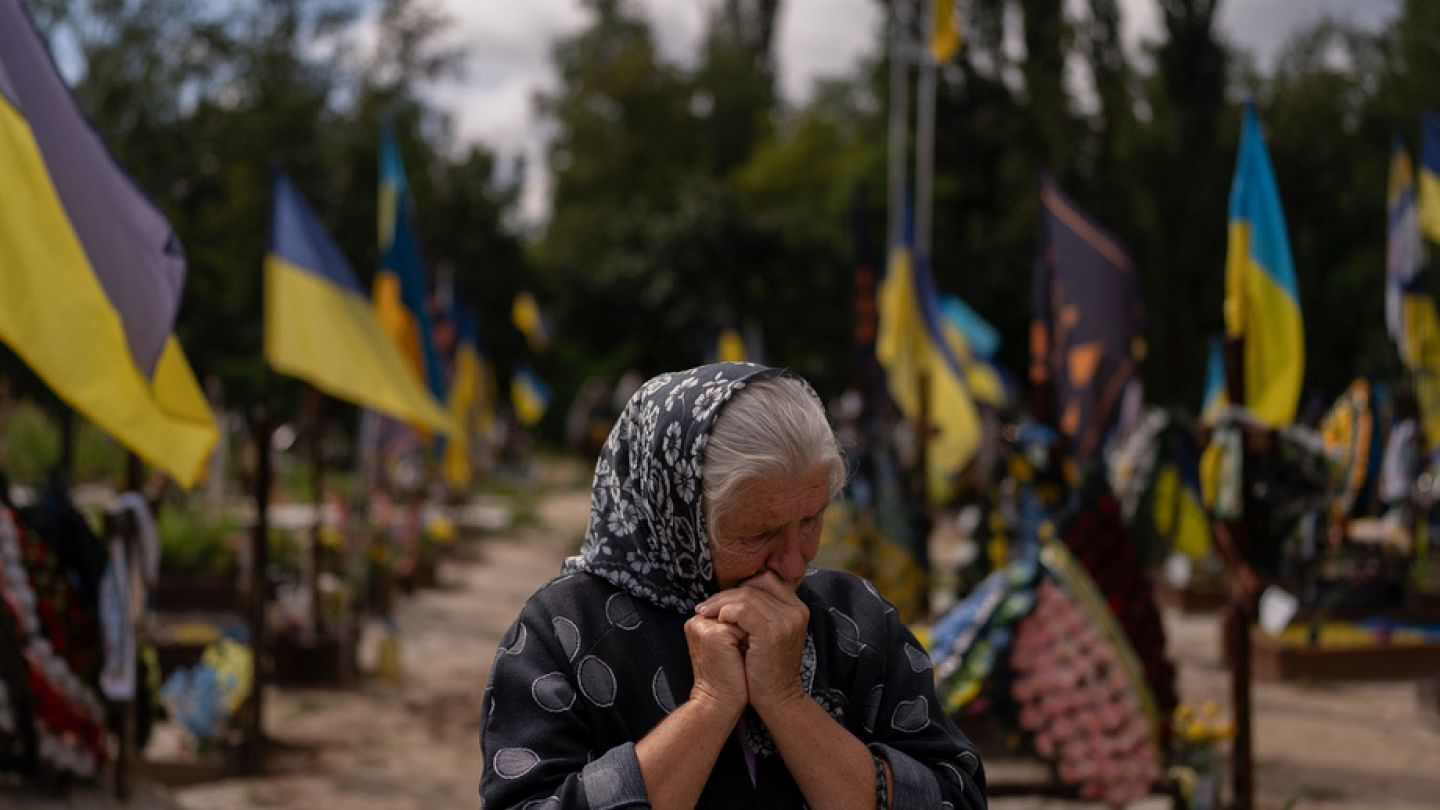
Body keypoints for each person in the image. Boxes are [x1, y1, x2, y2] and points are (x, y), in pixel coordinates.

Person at [480, 362, 986, 809]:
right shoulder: (565, 631)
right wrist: (710, 704)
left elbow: (955, 795)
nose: (793, 563)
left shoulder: (853, 619)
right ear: (677, 519)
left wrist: (787, 701)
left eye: (811, 520)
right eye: (760, 534)